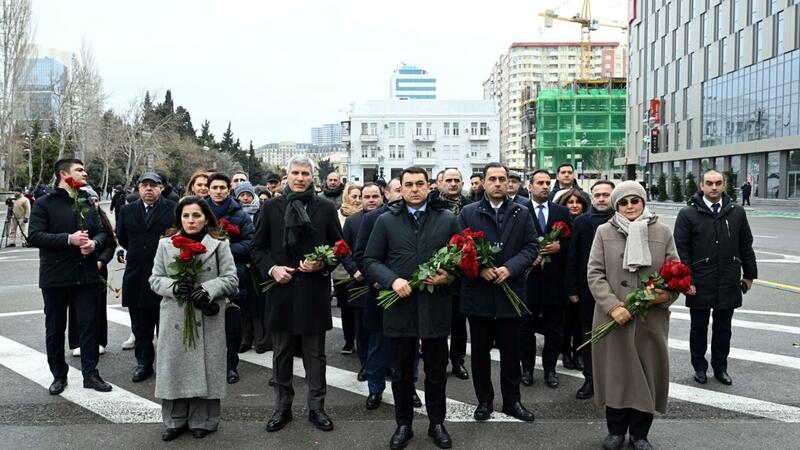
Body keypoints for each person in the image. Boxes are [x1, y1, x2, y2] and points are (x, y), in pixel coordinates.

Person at [364, 166, 461, 450]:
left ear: (429, 187)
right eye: (409, 184)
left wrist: (449, 276)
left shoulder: (446, 219)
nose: (415, 189)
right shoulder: (385, 221)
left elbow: (462, 260)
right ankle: (403, 424)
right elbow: (371, 260)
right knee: (401, 370)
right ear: (401, 188)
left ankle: (436, 423)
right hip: (400, 306)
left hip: (435, 305)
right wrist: (392, 280)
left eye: (420, 184)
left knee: (435, 370)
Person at [251, 156, 342, 433]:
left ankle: (317, 408)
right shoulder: (271, 208)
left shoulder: (325, 208)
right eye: (295, 173)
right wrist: (272, 269)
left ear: (313, 177)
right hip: (281, 290)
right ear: (286, 175)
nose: (300, 177)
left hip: (313, 291)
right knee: (281, 353)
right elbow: (257, 248)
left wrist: (322, 262)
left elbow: (338, 248)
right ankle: (282, 408)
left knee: (316, 354)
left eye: (305, 173)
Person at [587, 181, 679, 450]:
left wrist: (665, 296)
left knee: (646, 374)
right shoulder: (603, 231)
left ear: (642, 202)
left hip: (650, 319)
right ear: (616, 206)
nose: (629, 206)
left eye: (634, 201)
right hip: (612, 318)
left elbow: (675, 273)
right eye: (623, 202)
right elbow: (594, 273)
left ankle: (640, 434)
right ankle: (615, 431)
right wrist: (613, 306)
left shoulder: (662, 231)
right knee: (616, 374)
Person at [149, 196, 238, 441]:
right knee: (174, 367)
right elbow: (155, 278)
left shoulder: (219, 244)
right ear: (179, 218)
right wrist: (175, 286)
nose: (191, 220)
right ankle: (174, 420)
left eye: (196, 215)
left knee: (206, 366)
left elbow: (231, 278)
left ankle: (204, 420)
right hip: (175, 315)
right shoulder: (166, 244)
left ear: (206, 218)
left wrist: (208, 289)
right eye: (186, 216)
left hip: (207, 315)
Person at [458, 162, 538, 423]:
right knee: (480, 354)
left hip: (510, 293)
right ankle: (484, 401)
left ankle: (512, 401)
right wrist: (479, 268)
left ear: (509, 182)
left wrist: (509, 268)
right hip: (479, 295)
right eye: (492, 178)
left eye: (502, 178)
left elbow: (530, 247)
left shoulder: (522, 211)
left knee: (511, 353)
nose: (497, 183)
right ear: (483, 182)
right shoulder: (468, 212)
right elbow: (458, 249)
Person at [28, 158, 112, 395]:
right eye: (79, 170)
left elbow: (101, 233)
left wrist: (93, 244)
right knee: (55, 328)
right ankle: (58, 375)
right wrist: (69, 239)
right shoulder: (44, 203)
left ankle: (91, 374)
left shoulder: (87, 201)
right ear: (63, 174)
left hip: (85, 275)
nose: (85, 173)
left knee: (88, 326)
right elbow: (34, 236)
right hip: (55, 276)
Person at [674, 170, 757, 386]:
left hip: (729, 279)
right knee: (698, 327)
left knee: (724, 329)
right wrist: (686, 280)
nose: (713, 187)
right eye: (709, 183)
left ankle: (721, 367)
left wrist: (749, 275)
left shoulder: (737, 212)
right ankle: (699, 367)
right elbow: (682, 251)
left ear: (724, 185)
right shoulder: (687, 214)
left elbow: (746, 245)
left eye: (718, 183)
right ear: (701, 185)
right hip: (699, 281)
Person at [353, 178, 408, 412]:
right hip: (380, 292)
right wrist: (376, 279)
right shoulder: (373, 218)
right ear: (389, 193)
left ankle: (409, 389)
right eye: (397, 189)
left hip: (408, 292)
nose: (401, 194)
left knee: (409, 348)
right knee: (378, 345)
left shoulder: (417, 218)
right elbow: (361, 254)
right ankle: (375, 389)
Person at [116, 172, 177, 382]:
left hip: (165, 273)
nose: (148, 189)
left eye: (153, 185)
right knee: (140, 325)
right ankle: (143, 363)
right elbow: (122, 237)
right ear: (138, 188)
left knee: (166, 324)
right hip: (137, 272)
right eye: (144, 185)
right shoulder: (127, 210)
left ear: (161, 188)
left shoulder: (172, 208)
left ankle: (168, 365)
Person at [520, 170, 571, 388]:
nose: (544, 186)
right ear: (529, 187)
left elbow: (572, 243)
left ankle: (550, 369)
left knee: (554, 330)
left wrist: (560, 247)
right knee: (525, 330)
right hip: (527, 282)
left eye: (547, 183)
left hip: (554, 282)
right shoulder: (519, 211)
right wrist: (528, 257)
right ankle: (527, 370)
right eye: (539, 183)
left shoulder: (561, 211)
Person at [566, 180, 615, 400]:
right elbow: (573, 257)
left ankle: (614, 381)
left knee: (616, 338)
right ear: (592, 198)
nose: (602, 198)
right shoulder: (582, 222)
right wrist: (572, 289)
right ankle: (590, 380)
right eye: (598, 195)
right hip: (587, 290)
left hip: (618, 291)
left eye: (606, 194)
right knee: (589, 337)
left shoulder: (623, 220)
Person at [206, 173, 255, 384]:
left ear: (229, 190)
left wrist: (224, 249)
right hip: (204, 276)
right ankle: (208, 365)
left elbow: (251, 243)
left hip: (233, 274)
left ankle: (230, 365)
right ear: (208, 190)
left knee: (232, 326)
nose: (218, 191)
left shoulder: (240, 215)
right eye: (214, 187)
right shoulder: (200, 212)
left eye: (222, 188)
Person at [342, 182, 384, 407]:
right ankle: (366, 365)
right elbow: (344, 249)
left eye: (374, 196)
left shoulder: (390, 217)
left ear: (382, 196)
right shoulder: (353, 221)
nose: (369, 200)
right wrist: (355, 271)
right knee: (363, 328)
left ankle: (386, 368)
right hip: (360, 282)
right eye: (365, 196)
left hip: (385, 283)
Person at [68, 188, 113, 357]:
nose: (92, 203)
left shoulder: (100, 218)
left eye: (94, 200)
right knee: (74, 306)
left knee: (98, 306)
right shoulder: (74, 217)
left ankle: (99, 340)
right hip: (76, 268)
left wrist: (101, 261)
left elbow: (110, 243)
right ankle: (76, 341)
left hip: (97, 267)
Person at [437, 168, 472, 380]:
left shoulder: (471, 207)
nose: (452, 184)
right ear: (440, 183)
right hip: (438, 272)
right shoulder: (433, 206)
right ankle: (439, 361)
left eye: (456, 180)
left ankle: (458, 361)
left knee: (459, 323)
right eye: (448, 180)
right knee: (439, 322)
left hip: (462, 275)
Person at [557, 187, 589, 371]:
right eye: (570, 202)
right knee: (565, 321)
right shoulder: (560, 224)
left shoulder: (587, 222)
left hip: (582, 278)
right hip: (562, 278)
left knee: (580, 321)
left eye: (578, 202)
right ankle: (565, 352)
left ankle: (578, 353)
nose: (575, 205)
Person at [333, 184, 362, 355]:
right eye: (354, 196)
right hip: (342, 270)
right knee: (345, 307)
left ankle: (360, 338)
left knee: (359, 307)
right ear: (346, 197)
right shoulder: (338, 215)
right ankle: (349, 340)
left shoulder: (367, 215)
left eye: (359, 196)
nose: (357, 200)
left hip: (360, 270)